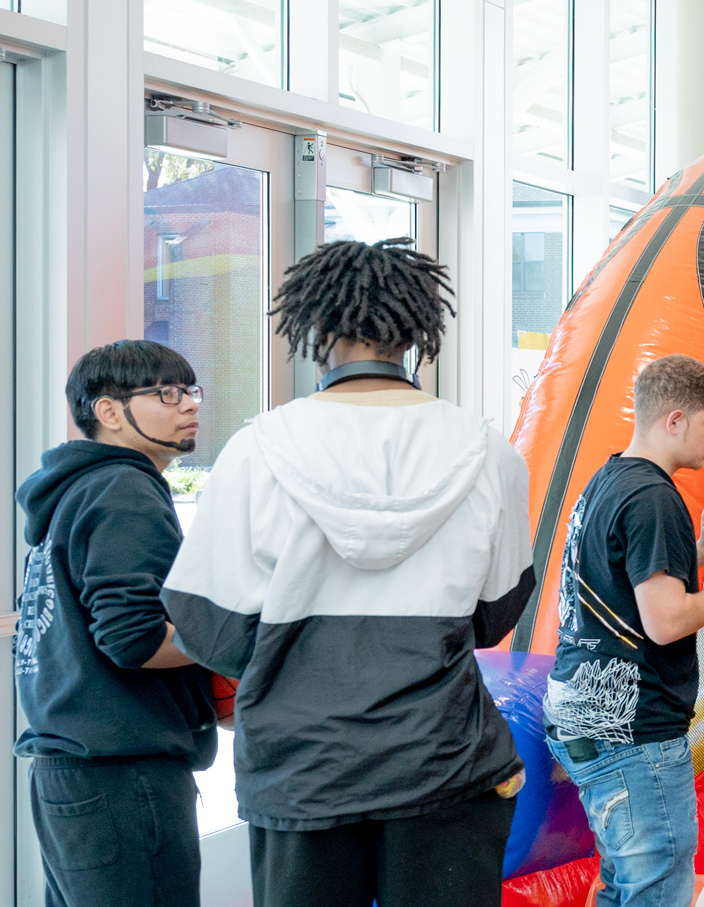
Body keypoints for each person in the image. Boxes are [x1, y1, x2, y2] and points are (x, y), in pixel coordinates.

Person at [161, 238, 536, 907]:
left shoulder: (256, 450)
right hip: (444, 763)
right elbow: (494, 615)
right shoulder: (490, 454)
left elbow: (206, 627)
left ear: (317, 328)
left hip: (302, 769)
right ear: (417, 333)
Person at [543, 353, 704, 907]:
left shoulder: (610, 477)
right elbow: (665, 622)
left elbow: (624, 586)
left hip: (583, 713)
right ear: (673, 421)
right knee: (658, 890)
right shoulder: (654, 497)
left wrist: (701, 552)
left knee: (624, 885)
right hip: (633, 727)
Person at [15, 340, 216, 907]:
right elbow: (137, 640)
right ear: (108, 411)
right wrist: (241, 635)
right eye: (167, 393)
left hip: (70, 772)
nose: (189, 405)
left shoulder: (74, 489)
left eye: (191, 390)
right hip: (123, 776)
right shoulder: (123, 488)